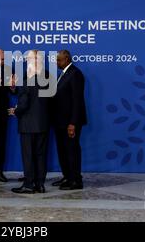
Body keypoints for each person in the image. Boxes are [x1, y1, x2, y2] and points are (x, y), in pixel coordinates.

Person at [9, 50, 51, 194]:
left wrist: (16, 111)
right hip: (43, 123)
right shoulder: (49, 79)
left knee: (28, 156)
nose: (26, 62)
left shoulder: (28, 82)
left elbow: (24, 104)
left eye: (28, 60)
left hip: (28, 125)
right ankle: (39, 184)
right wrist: (14, 88)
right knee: (40, 155)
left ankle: (28, 185)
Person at [52, 50, 87, 190]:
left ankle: (76, 180)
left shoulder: (75, 74)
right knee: (63, 151)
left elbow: (77, 101)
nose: (57, 62)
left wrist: (73, 123)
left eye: (59, 60)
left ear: (66, 59)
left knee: (72, 150)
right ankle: (67, 177)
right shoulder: (64, 73)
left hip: (70, 123)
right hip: (60, 121)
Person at [0, 49, 15, 182]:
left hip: (1, 113)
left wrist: (12, 87)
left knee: (1, 143)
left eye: (4, 59)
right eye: (0, 59)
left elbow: (13, 92)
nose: (2, 62)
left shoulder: (8, 70)